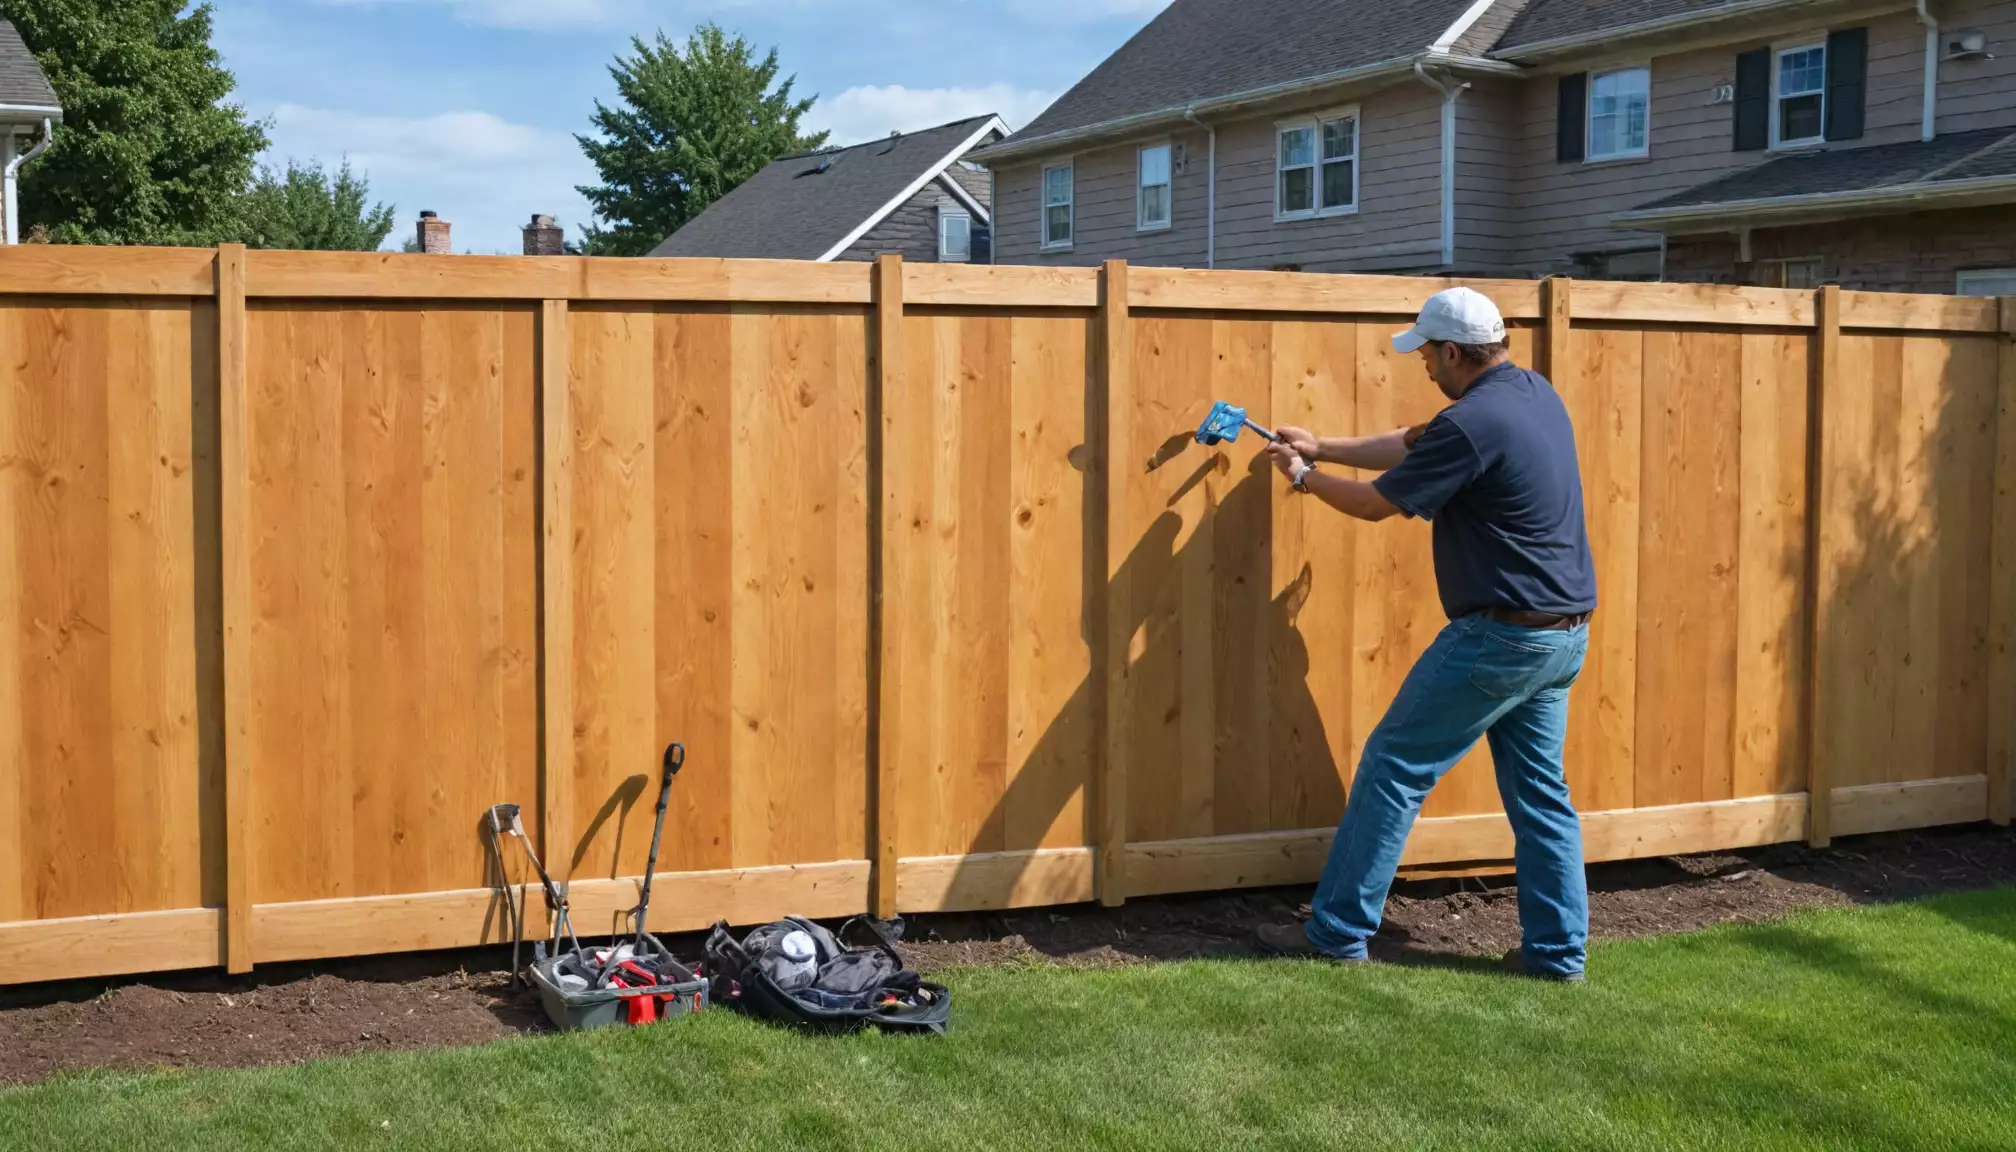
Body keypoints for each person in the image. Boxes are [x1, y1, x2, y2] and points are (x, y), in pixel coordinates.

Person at [1253, 286, 1597, 982]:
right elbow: (1415, 443)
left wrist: (1304, 476)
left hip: (1500, 641)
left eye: (1427, 358)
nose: (1425, 370)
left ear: (1450, 351)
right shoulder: (1531, 394)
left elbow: (1379, 506)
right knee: (1541, 795)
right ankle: (1559, 956)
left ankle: (1337, 933)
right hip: (1561, 636)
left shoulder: (1472, 424)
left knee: (1392, 767)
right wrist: (1325, 444)